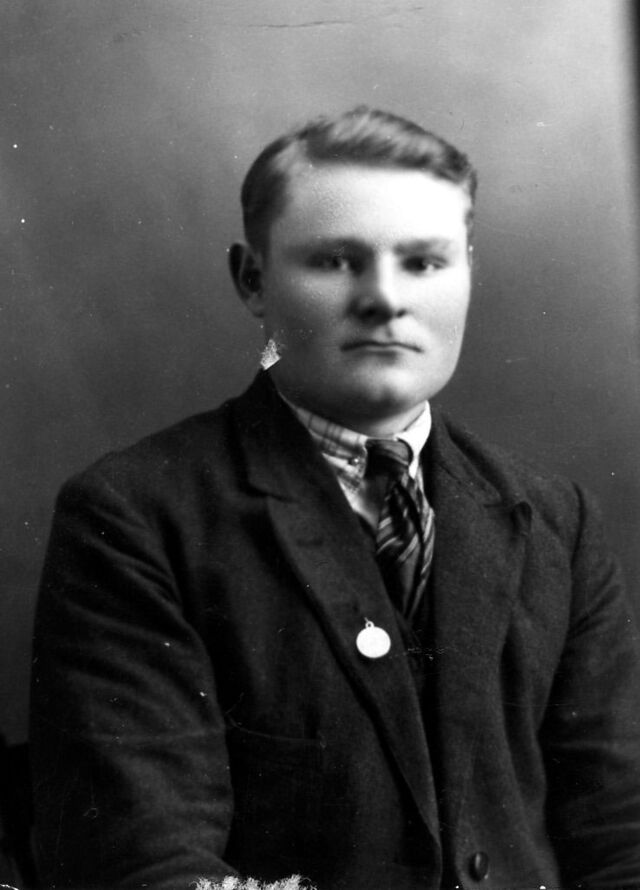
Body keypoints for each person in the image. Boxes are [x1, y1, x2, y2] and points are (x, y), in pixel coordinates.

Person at [30, 107, 640, 890]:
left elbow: (621, 832)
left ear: (467, 272)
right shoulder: (136, 516)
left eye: (423, 263)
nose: (384, 298)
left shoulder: (558, 521)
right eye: (335, 261)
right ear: (253, 280)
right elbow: (145, 856)